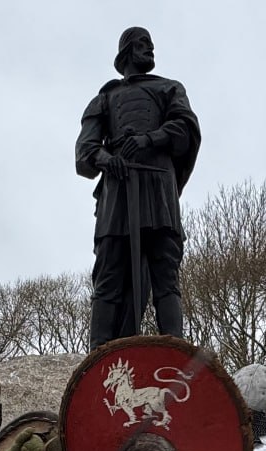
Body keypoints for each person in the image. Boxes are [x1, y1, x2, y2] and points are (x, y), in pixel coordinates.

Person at [75, 26, 201, 347]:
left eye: (152, 44)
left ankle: (175, 352)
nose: (151, 50)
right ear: (128, 50)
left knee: (166, 277)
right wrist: (107, 159)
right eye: (144, 44)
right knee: (108, 277)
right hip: (118, 193)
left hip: (158, 187)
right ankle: (97, 357)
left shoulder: (169, 89)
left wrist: (148, 139)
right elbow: (85, 152)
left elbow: (185, 128)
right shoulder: (104, 98)